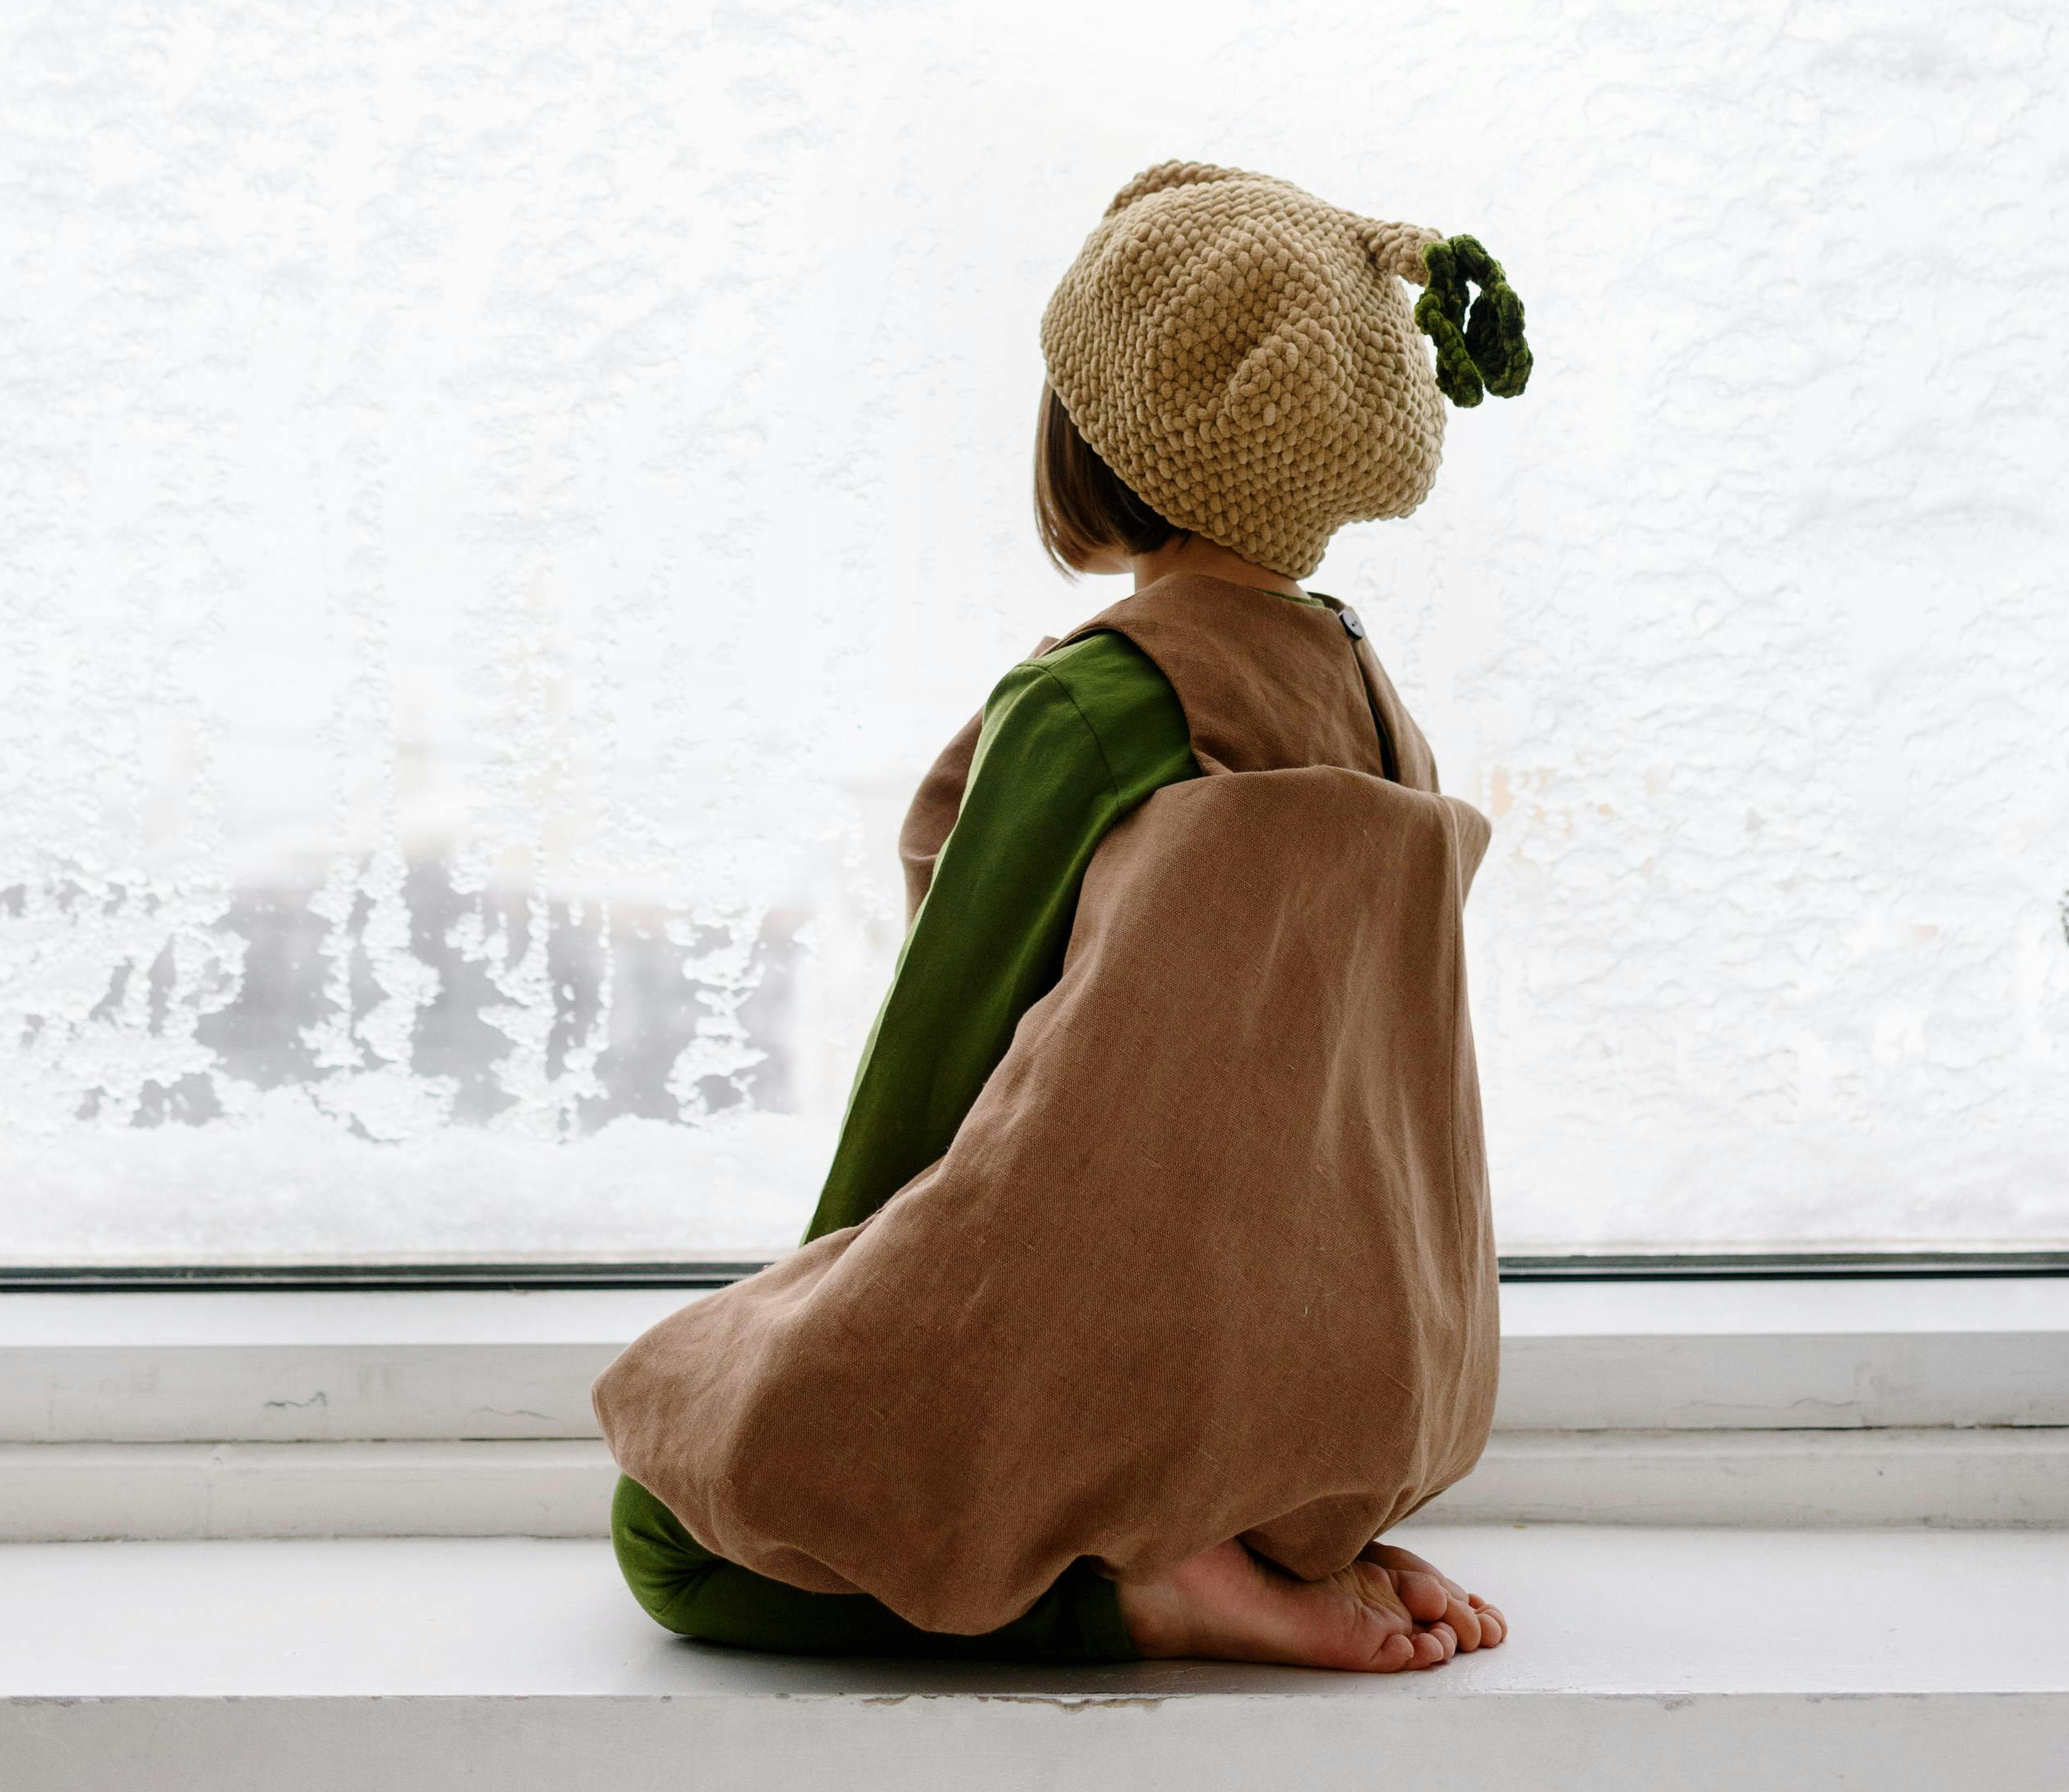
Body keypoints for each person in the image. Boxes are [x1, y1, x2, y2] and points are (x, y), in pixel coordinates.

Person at [597, 160, 1529, 1672]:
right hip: (1351, 1399)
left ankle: (1150, 1589)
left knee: (681, 1519)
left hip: (1129, 1380)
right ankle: (1276, 1541)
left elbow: (936, 1074)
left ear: (1092, 427)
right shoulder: (1366, 704)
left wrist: (821, 1317)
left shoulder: (1097, 705)